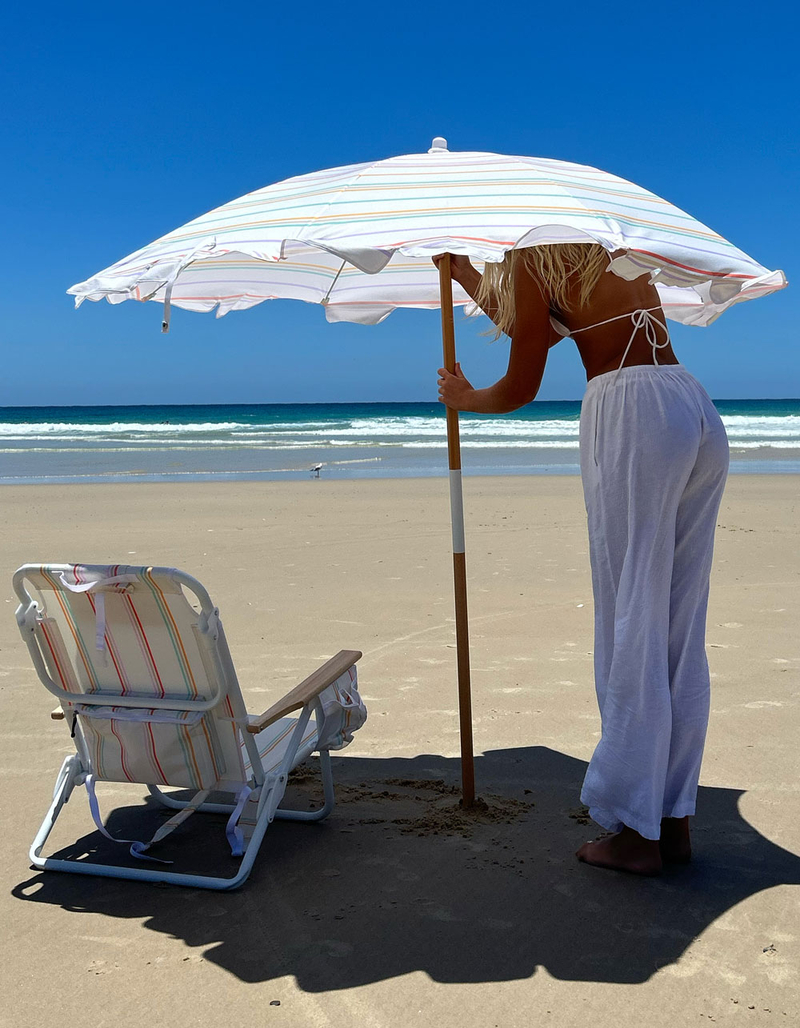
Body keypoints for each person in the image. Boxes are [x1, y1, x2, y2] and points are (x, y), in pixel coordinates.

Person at [434, 245, 729, 876]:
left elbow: (521, 385)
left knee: (630, 621)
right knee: (677, 627)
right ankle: (671, 819)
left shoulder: (531, 257)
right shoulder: (600, 248)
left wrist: (465, 397)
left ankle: (636, 832)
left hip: (634, 415)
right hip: (691, 407)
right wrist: (464, 275)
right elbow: (536, 326)